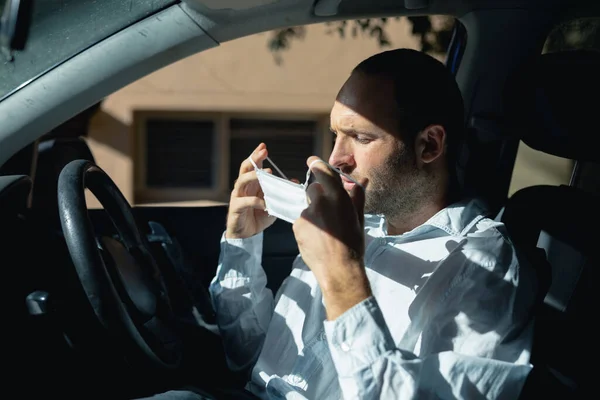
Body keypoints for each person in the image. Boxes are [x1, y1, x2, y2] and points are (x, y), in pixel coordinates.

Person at [146, 48, 538, 400]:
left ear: (429, 146)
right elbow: (252, 364)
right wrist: (241, 246)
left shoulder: (486, 266)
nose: (336, 158)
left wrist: (342, 277)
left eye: (360, 137)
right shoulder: (353, 221)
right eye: (336, 134)